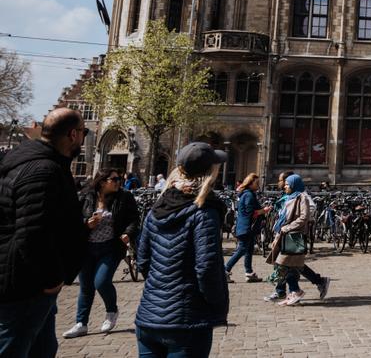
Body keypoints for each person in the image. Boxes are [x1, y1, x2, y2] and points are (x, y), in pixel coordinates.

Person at [0, 108, 88, 357]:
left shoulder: (33, 162)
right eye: (84, 132)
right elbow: (32, 233)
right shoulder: (43, 170)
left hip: (32, 283)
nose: (84, 138)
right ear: (73, 134)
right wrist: (52, 278)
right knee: (13, 348)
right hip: (26, 285)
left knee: (43, 348)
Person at [134, 142, 230, 358]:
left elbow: (143, 261)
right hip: (187, 322)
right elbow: (206, 268)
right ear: (211, 171)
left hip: (149, 317)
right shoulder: (204, 212)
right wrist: (215, 303)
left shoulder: (156, 208)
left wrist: (161, 290)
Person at [64, 168, 140, 338]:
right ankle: (81, 323)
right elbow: (72, 218)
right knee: (85, 287)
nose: (118, 181)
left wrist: (128, 233)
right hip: (87, 247)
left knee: (101, 281)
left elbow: (134, 218)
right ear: (102, 181)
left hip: (111, 247)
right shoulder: (86, 196)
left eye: (119, 178)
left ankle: (112, 311)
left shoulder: (124, 197)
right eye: (114, 179)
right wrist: (86, 223)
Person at [265, 174, 329, 302]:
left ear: (294, 184)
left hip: (294, 236)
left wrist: (287, 228)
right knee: (289, 265)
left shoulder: (302, 197)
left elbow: (304, 217)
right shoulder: (288, 197)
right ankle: (289, 290)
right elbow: (283, 218)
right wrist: (277, 235)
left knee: (285, 264)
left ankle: (294, 291)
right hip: (284, 235)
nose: (285, 186)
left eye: (287, 184)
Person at [224, 174, 265, 283]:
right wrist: (264, 210)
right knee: (241, 249)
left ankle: (249, 273)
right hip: (246, 228)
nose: (258, 185)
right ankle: (225, 270)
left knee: (249, 250)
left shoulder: (248, 194)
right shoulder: (248, 195)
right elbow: (250, 212)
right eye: (256, 183)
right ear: (250, 184)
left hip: (246, 228)